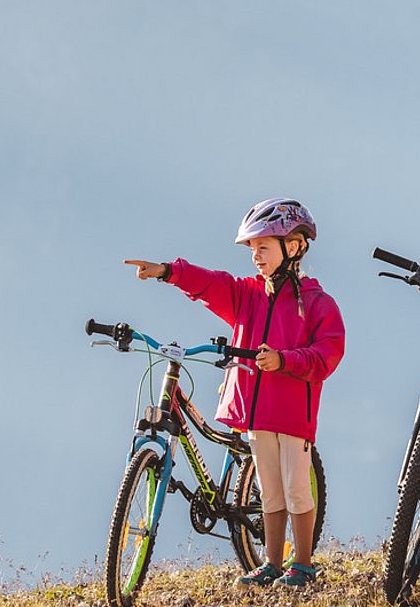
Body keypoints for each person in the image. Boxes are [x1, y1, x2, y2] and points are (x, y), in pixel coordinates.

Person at [124, 198, 346, 588]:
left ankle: (304, 564)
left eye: (263, 247)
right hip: (256, 414)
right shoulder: (248, 295)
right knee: (270, 493)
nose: (256, 256)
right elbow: (211, 284)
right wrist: (167, 272)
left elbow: (328, 353)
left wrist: (285, 360)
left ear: (293, 246)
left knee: (296, 490)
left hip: (293, 414)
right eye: (252, 249)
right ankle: (273, 564)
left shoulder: (316, 303)